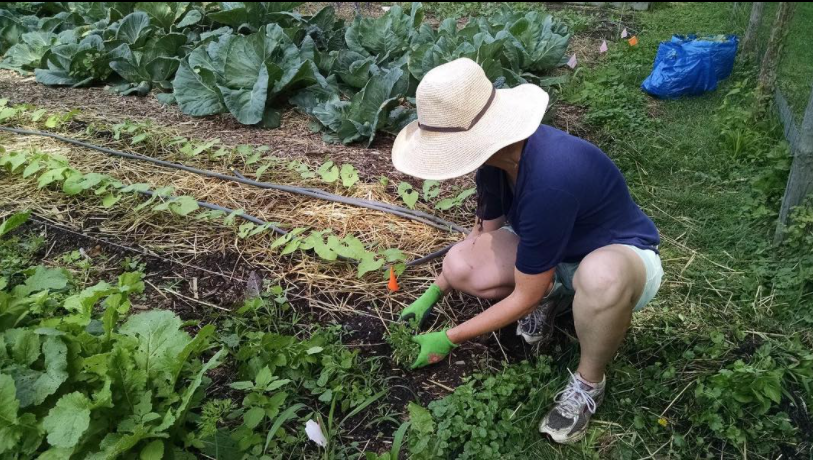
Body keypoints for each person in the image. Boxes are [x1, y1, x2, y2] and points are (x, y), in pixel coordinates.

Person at [390, 58, 664, 444]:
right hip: (556, 253)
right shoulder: (494, 161)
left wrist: (448, 338)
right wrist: (432, 293)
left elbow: (525, 292)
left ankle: (588, 383)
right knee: (462, 263)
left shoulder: (551, 177)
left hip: (621, 257)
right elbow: (482, 236)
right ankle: (558, 292)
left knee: (600, 278)